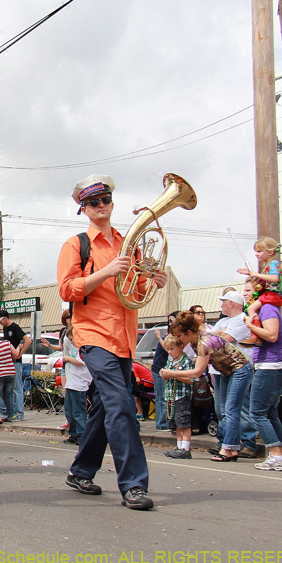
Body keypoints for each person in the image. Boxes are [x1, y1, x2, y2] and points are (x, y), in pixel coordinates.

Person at [58, 174, 168, 511]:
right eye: (93, 202)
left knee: (107, 406)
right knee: (121, 406)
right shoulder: (76, 244)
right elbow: (66, 290)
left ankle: (80, 471)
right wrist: (105, 273)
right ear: (83, 208)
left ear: (111, 202)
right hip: (92, 335)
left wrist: (152, 279)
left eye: (104, 200)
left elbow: (133, 293)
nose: (100, 206)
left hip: (124, 338)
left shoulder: (127, 243)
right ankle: (133, 485)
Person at [169, 311, 254, 462]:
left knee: (231, 409)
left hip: (240, 369)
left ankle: (228, 448)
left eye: (180, 336)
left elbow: (198, 371)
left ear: (189, 332)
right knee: (223, 409)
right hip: (227, 371)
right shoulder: (196, 342)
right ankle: (229, 446)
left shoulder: (204, 343)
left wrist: (172, 373)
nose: (179, 340)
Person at [244, 290, 282, 471]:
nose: (245, 294)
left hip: (271, 367)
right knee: (270, 413)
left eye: (248, 290)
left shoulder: (268, 309)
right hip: (270, 367)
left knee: (257, 413)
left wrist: (250, 324)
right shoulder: (262, 310)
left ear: (259, 292)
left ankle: (275, 455)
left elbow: (271, 335)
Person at [207, 288, 257, 458]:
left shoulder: (242, 319)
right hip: (219, 369)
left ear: (231, 303)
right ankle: (225, 440)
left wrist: (216, 334)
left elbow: (224, 339)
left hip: (237, 368)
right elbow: (209, 338)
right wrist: (217, 333)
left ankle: (248, 442)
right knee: (221, 408)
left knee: (239, 407)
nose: (221, 305)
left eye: (223, 302)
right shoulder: (222, 322)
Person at [238, 237, 282, 346]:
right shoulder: (267, 266)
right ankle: (256, 334)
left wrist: (257, 274)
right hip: (271, 295)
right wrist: (250, 273)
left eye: (259, 251)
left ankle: (255, 335)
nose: (256, 254)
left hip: (274, 295)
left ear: (270, 252)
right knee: (252, 308)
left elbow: (275, 278)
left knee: (251, 308)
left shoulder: (273, 264)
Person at [159, 335, 195, 459]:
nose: (169, 352)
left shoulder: (186, 361)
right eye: (168, 349)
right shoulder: (171, 360)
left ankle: (185, 448)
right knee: (177, 423)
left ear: (181, 347)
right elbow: (168, 376)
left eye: (172, 349)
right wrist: (164, 375)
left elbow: (190, 379)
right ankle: (179, 446)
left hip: (181, 396)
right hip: (171, 396)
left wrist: (173, 375)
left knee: (184, 422)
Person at [0, 309, 31, 420]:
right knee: (9, 390)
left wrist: (20, 353)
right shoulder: (5, 329)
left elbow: (27, 340)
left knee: (17, 388)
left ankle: (20, 413)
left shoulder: (14, 327)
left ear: (5, 318)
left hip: (16, 362)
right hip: (8, 363)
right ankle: (11, 412)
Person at [61, 326, 91, 445]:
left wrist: (67, 358)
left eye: (72, 339)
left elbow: (80, 362)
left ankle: (83, 434)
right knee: (70, 411)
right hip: (71, 383)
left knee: (78, 411)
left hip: (79, 385)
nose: (71, 341)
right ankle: (73, 433)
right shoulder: (76, 349)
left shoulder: (83, 349)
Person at [151, 311, 180, 431]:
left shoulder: (177, 336)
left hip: (169, 370)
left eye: (173, 320)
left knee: (168, 397)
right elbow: (167, 348)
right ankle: (161, 423)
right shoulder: (166, 337)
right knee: (161, 397)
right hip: (160, 370)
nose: (171, 322)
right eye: (170, 321)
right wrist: (158, 338)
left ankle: (167, 421)